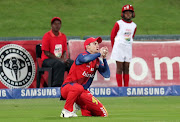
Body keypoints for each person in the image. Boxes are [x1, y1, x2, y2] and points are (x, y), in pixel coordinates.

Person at [60, 37, 110, 118]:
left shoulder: (97, 61)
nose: (97, 45)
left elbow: (106, 74)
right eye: (95, 44)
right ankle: (66, 111)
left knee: (103, 114)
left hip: (82, 92)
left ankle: (81, 106)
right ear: (87, 46)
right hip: (67, 88)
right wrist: (99, 54)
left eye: (98, 44)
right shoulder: (81, 56)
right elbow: (86, 59)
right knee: (78, 88)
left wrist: (104, 59)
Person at [41, 17, 73, 87]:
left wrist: (64, 59)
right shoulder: (47, 36)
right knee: (59, 64)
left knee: (72, 63)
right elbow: (47, 53)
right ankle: (56, 86)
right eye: (55, 24)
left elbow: (64, 51)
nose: (57, 26)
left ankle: (73, 84)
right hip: (47, 60)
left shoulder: (63, 36)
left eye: (58, 24)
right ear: (51, 25)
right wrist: (60, 60)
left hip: (59, 59)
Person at [110, 4, 137, 87]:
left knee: (127, 68)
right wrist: (114, 47)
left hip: (128, 48)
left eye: (130, 13)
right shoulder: (119, 23)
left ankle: (126, 87)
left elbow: (132, 36)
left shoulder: (134, 26)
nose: (128, 14)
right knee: (120, 68)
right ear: (123, 14)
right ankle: (120, 88)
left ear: (133, 14)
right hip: (119, 48)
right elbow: (112, 35)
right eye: (126, 13)